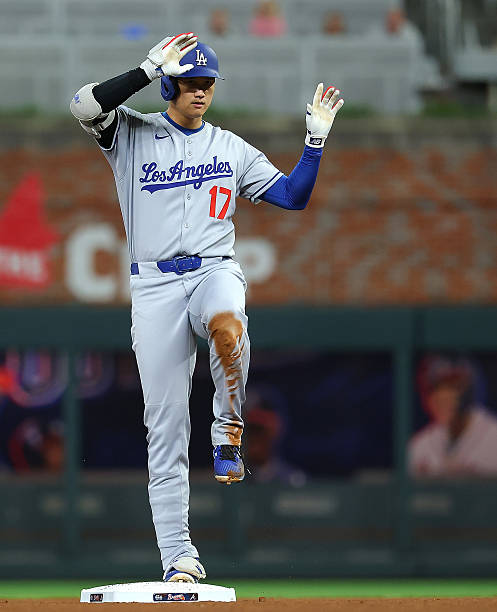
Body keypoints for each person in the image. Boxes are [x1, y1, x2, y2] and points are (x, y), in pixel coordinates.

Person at [70, 32, 343, 584]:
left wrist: (313, 143)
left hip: (214, 267)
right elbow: (83, 105)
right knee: (164, 429)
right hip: (152, 287)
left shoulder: (229, 146)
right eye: (192, 82)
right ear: (170, 83)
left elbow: (291, 197)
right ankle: (179, 558)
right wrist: (147, 69)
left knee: (226, 322)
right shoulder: (132, 133)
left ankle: (228, 430)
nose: (201, 92)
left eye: (208, 84)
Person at [409, 354, 497, 477]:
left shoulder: (493, 437)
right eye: (438, 387)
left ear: (470, 391)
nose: (444, 395)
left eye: (454, 387)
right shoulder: (420, 446)